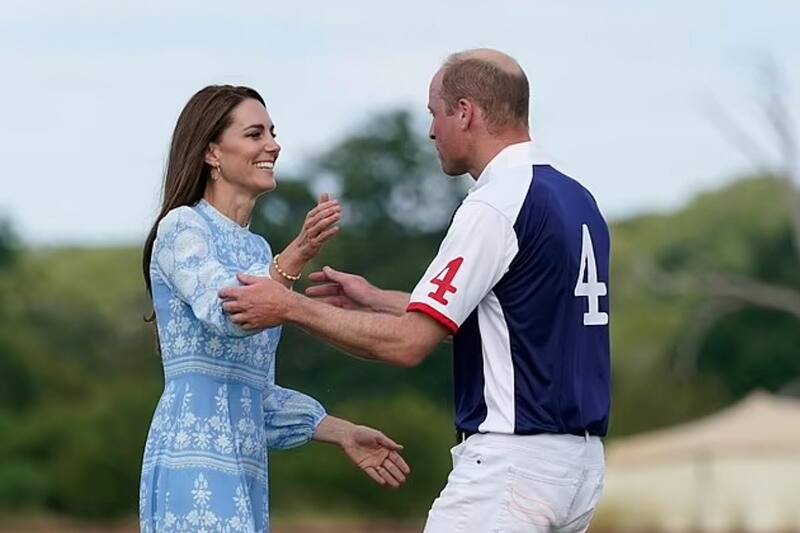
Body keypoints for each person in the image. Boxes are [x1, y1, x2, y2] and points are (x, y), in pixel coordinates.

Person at [219, 49, 610, 532]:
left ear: (465, 112)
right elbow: (508, 323)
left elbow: (409, 344)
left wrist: (289, 306)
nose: (430, 131)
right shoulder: (577, 199)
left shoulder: (496, 203)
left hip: (513, 464)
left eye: (435, 113)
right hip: (580, 468)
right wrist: (378, 298)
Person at [139, 85, 409, 533]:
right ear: (212, 152)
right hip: (193, 463)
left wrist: (340, 431)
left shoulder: (257, 250)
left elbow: (256, 395)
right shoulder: (182, 227)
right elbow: (231, 314)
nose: (273, 145)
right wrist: (297, 257)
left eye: (272, 132)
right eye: (254, 134)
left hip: (245, 470)